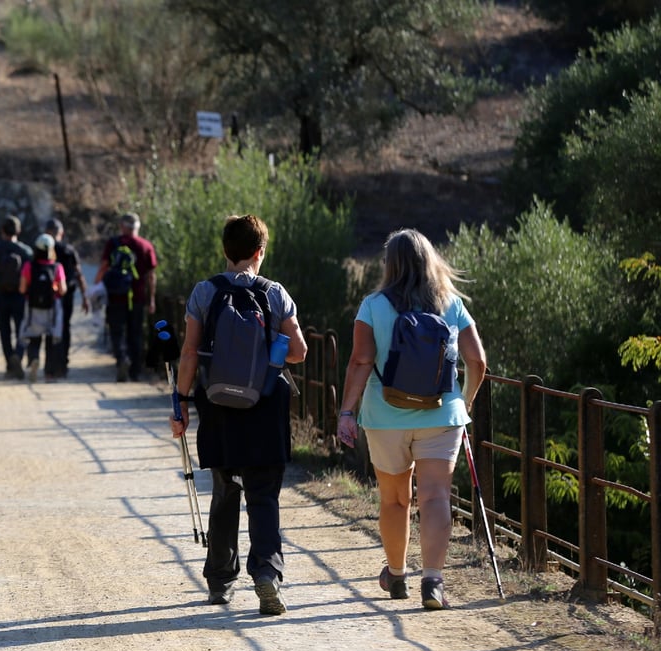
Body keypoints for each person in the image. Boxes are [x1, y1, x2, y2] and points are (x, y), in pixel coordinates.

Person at [336, 228, 487, 610]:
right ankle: (433, 583)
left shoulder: (372, 305)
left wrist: (346, 412)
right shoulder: (450, 302)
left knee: (394, 500)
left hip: (386, 417)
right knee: (436, 496)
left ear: (390, 265)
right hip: (442, 414)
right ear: (429, 260)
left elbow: (360, 360)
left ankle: (398, 574)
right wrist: (464, 401)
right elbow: (478, 361)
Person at [169, 214, 307, 616]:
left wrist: (180, 402)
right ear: (259, 252)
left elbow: (190, 352)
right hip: (264, 407)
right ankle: (266, 572)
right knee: (264, 495)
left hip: (218, 407)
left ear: (225, 251)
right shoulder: (275, 294)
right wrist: (275, 348)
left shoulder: (205, 292)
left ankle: (219, 581)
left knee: (225, 492)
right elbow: (298, 351)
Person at [94, 212, 157, 382]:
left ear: (122, 226)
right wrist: (151, 299)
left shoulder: (113, 243)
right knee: (135, 333)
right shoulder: (145, 246)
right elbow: (151, 275)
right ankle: (135, 372)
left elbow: (104, 266)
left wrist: (96, 286)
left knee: (117, 332)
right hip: (137, 297)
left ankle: (122, 360)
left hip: (115, 296)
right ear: (137, 227)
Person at [0, 215, 34, 379]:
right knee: (21, 329)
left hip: (1, 296)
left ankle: (10, 365)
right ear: (18, 231)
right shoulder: (26, 251)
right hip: (20, 296)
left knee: (4, 331)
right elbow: (30, 276)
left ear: (2, 231)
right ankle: (18, 355)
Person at [43, 218, 89, 380]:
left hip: (47, 296)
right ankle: (62, 366)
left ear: (47, 232)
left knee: (50, 330)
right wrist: (85, 297)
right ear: (60, 233)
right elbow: (79, 274)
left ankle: (49, 369)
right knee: (64, 329)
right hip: (67, 295)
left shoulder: (43, 248)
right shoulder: (69, 250)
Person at [18, 233, 67, 383]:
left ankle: (34, 359)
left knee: (34, 338)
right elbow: (63, 290)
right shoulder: (57, 267)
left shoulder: (29, 266)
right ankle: (49, 373)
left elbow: (22, 288)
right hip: (52, 308)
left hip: (33, 308)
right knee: (51, 340)